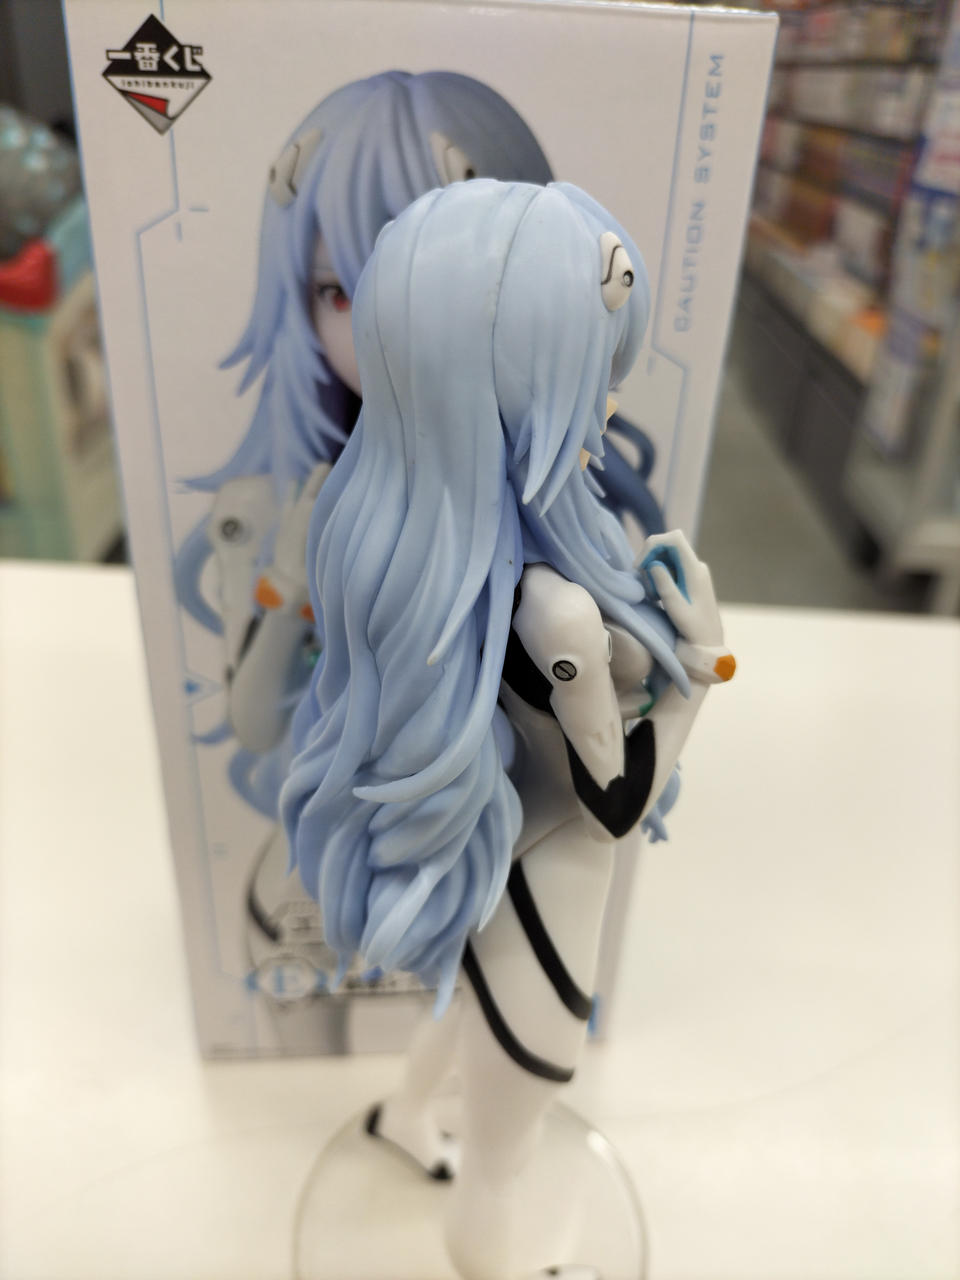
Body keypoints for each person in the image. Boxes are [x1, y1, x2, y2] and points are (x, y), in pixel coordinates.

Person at [281, 180, 734, 1278]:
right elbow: (613, 803)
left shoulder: (445, 548)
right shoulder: (557, 610)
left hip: (495, 870)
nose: (604, 407)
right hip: (548, 889)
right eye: (589, 369)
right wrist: (701, 673)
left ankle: (403, 1115)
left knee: (463, 1009)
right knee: (506, 1153)